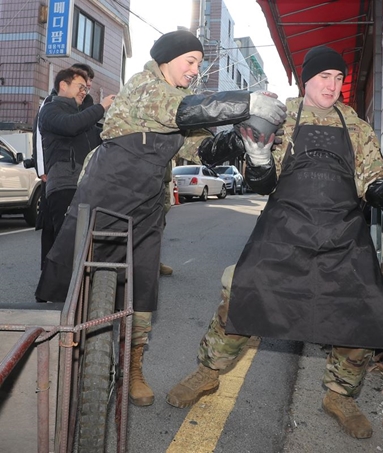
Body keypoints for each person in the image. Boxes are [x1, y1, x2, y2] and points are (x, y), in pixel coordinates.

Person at [166, 45, 383, 439]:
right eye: (323, 78)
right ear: (306, 80)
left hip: (343, 232)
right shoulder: (281, 118)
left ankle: (339, 395)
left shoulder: (357, 127)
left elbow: (373, 183)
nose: (331, 86)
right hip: (285, 228)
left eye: (338, 78)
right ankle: (208, 372)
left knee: (365, 305)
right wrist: (260, 158)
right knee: (244, 290)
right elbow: (263, 186)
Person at [35, 30, 287, 407]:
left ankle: (133, 367)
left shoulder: (184, 99)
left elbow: (202, 147)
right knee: (82, 280)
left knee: (143, 285)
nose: (195, 70)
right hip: (108, 188)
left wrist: (243, 138)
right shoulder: (144, 85)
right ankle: (78, 362)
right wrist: (247, 102)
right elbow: (181, 112)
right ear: (167, 60)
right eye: (190, 61)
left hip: (149, 199)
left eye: (200, 64)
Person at [38, 67, 115, 265]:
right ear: (63, 85)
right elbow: (70, 125)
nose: (84, 90)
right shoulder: (50, 109)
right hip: (64, 183)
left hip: (85, 184)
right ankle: (54, 291)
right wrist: (101, 107)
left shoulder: (83, 116)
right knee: (64, 241)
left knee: (80, 242)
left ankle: (71, 290)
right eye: (80, 86)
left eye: (86, 88)